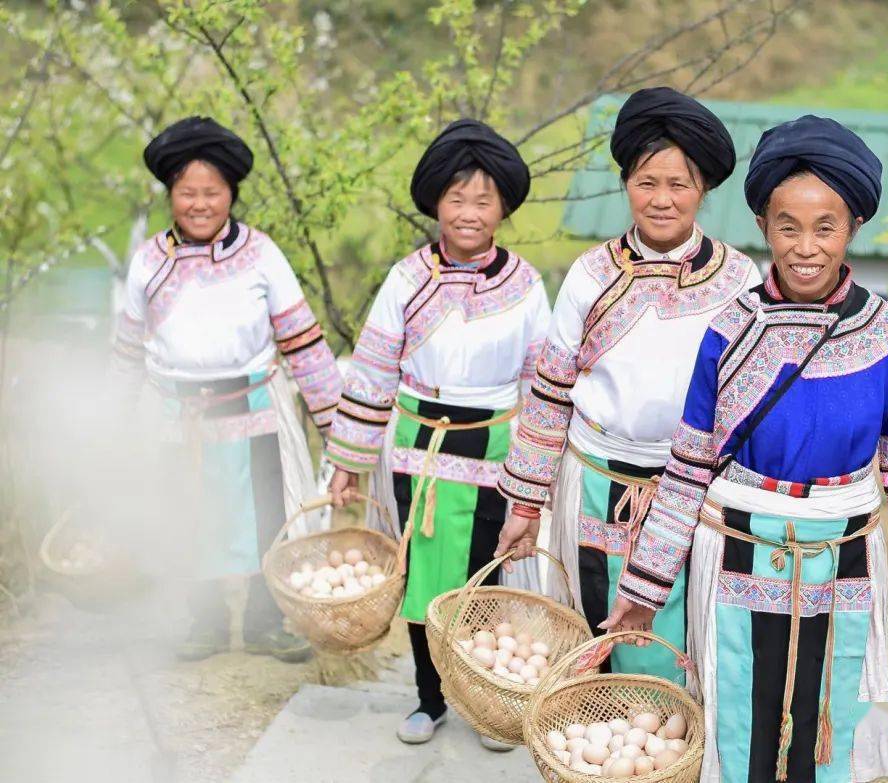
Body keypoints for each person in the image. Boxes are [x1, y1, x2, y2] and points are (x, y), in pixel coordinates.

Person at [604, 115, 888, 782]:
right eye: (788, 226)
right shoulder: (731, 329)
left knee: (824, 722)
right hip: (738, 550)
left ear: (853, 230)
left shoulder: (886, 335)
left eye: (825, 227)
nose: (805, 247)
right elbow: (690, 466)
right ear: (763, 227)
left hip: (840, 559)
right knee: (740, 716)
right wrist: (644, 586)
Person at [496, 87, 761, 685]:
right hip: (595, 480)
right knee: (591, 627)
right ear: (626, 185)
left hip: (692, 490)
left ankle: (671, 753)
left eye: (679, 184)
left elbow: (751, 406)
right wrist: (524, 503)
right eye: (647, 182)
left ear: (704, 191)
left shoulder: (741, 281)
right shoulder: (590, 275)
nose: (662, 200)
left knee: (680, 638)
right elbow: (550, 390)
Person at [326, 119, 550, 748]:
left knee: (483, 578)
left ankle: (484, 700)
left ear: (503, 207)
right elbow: (372, 369)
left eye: (483, 200)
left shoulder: (527, 286)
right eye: (457, 198)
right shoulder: (406, 278)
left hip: (495, 453)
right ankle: (430, 699)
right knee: (421, 578)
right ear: (435, 204)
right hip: (417, 448)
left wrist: (539, 476)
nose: (469, 213)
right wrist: (347, 458)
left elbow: (542, 383)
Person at [113, 116, 343, 663]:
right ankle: (205, 623)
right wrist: (114, 420)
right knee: (189, 513)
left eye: (211, 193)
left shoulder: (261, 255)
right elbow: (125, 351)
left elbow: (304, 344)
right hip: (176, 413)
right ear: (171, 196)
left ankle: (268, 622)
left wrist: (341, 429)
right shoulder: (149, 262)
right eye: (186, 193)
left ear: (231, 195)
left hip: (256, 409)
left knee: (269, 514)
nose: (198, 204)